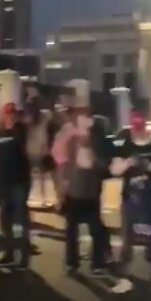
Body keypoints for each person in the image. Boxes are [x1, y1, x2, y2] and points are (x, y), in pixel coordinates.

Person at [108, 110, 151, 297]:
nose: (137, 131)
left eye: (140, 127)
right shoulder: (124, 146)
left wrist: (149, 166)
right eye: (134, 128)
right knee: (127, 240)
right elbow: (114, 170)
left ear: (145, 126)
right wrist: (129, 162)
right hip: (130, 200)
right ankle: (125, 278)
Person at [53, 105, 112, 274]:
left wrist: (92, 153)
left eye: (85, 117)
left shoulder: (97, 138)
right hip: (74, 190)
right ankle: (72, 262)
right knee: (72, 229)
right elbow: (63, 164)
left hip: (91, 190)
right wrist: (61, 191)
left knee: (95, 228)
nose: (82, 121)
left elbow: (103, 164)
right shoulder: (70, 138)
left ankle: (98, 262)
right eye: (79, 117)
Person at [0, 103, 32, 270]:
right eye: (7, 114)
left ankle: (23, 258)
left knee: (20, 221)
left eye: (12, 114)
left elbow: (19, 148)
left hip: (19, 182)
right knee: (5, 222)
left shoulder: (21, 131)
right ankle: (9, 254)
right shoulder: (0, 133)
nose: (10, 117)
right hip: (4, 182)